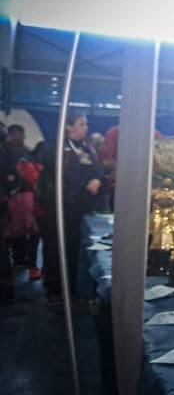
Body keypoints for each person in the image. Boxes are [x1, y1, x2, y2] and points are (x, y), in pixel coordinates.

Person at [38, 113, 105, 305]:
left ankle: (73, 288)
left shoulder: (87, 147)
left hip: (82, 208)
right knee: (56, 248)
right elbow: (62, 172)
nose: (86, 127)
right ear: (68, 126)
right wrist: (85, 182)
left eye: (86, 124)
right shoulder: (55, 147)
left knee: (75, 248)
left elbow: (98, 169)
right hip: (58, 208)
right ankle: (54, 290)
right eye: (81, 124)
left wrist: (97, 179)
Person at [3, 126, 42, 281]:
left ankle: (19, 265)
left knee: (15, 233)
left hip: (18, 198)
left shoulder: (15, 152)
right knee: (32, 232)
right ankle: (29, 266)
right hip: (23, 198)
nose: (20, 137)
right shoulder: (23, 153)